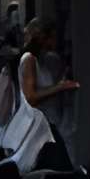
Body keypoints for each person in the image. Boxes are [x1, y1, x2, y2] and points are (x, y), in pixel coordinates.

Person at [19, 18, 81, 154]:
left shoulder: (50, 59)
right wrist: (60, 87)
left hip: (55, 122)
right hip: (38, 127)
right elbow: (30, 97)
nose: (55, 41)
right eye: (52, 37)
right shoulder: (29, 60)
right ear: (42, 38)